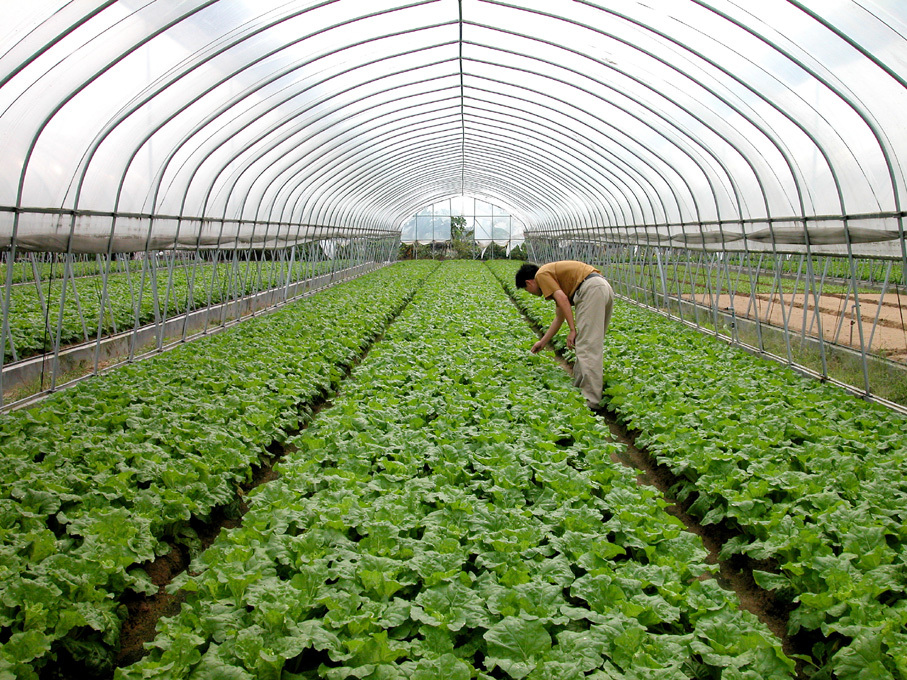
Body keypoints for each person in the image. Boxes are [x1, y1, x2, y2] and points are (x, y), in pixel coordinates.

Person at [515, 260, 614, 410]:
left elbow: (563, 300)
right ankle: (582, 388)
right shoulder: (554, 277)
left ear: (529, 283)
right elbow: (559, 317)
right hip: (601, 286)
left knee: (587, 347)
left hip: (591, 290)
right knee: (589, 344)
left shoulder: (541, 275)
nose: (532, 294)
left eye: (527, 290)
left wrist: (572, 330)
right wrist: (543, 342)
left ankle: (590, 401)